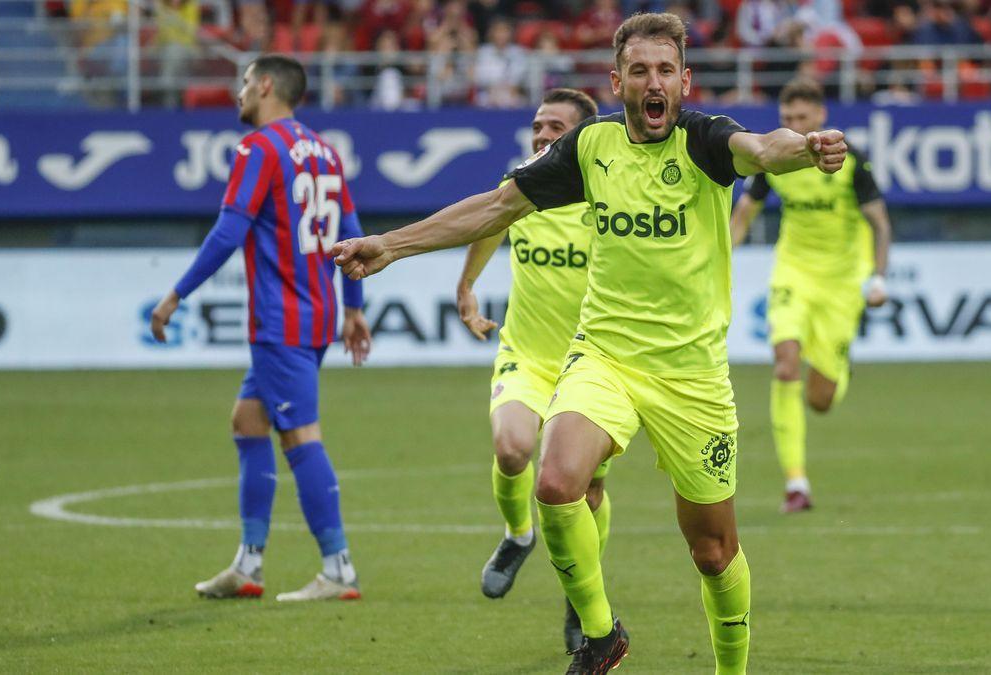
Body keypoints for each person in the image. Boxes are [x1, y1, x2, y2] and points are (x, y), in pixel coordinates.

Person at [332, 13, 848, 674]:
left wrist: (804, 149)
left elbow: (764, 148)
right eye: (640, 71)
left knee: (714, 552)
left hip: (691, 376)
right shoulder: (591, 147)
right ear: (618, 81)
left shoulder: (706, 141)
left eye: (665, 70)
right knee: (554, 480)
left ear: (684, 79)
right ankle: (602, 635)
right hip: (605, 355)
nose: (653, 82)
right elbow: (495, 207)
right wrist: (391, 245)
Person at [150, 54, 373, 603]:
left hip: (281, 319)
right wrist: (353, 307)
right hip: (318, 313)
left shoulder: (258, 147)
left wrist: (176, 292)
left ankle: (338, 566)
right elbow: (352, 231)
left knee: (300, 436)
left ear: (267, 85)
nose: (239, 92)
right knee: (249, 421)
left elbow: (229, 232)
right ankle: (248, 564)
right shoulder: (325, 150)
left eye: (246, 82)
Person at [455, 88, 609, 652]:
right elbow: (489, 225)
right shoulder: (521, 185)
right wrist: (467, 286)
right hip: (527, 355)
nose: (542, 136)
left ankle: (580, 598)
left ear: (581, 140)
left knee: (585, 492)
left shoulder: (606, 199)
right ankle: (518, 535)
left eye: (555, 129)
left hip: (592, 365)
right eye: (538, 126)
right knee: (513, 448)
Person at [729, 78, 891, 514]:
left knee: (819, 399)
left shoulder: (850, 160)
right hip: (793, 275)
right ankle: (796, 485)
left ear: (821, 117)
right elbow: (744, 213)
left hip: (840, 284)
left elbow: (880, 224)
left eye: (802, 118)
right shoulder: (776, 162)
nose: (794, 126)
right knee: (785, 365)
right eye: (787, 120)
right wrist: (717, 261)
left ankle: (839, 372)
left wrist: (878, 279)